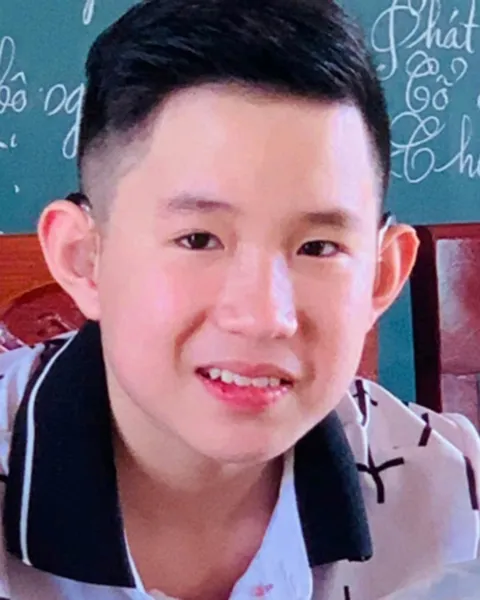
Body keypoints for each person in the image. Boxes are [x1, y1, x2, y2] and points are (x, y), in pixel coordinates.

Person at [0, 1, 478, 599]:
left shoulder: (455, 499)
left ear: (381, 277)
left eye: (318, 247)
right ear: (84, 259)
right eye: (199, 239)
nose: (263, 317)